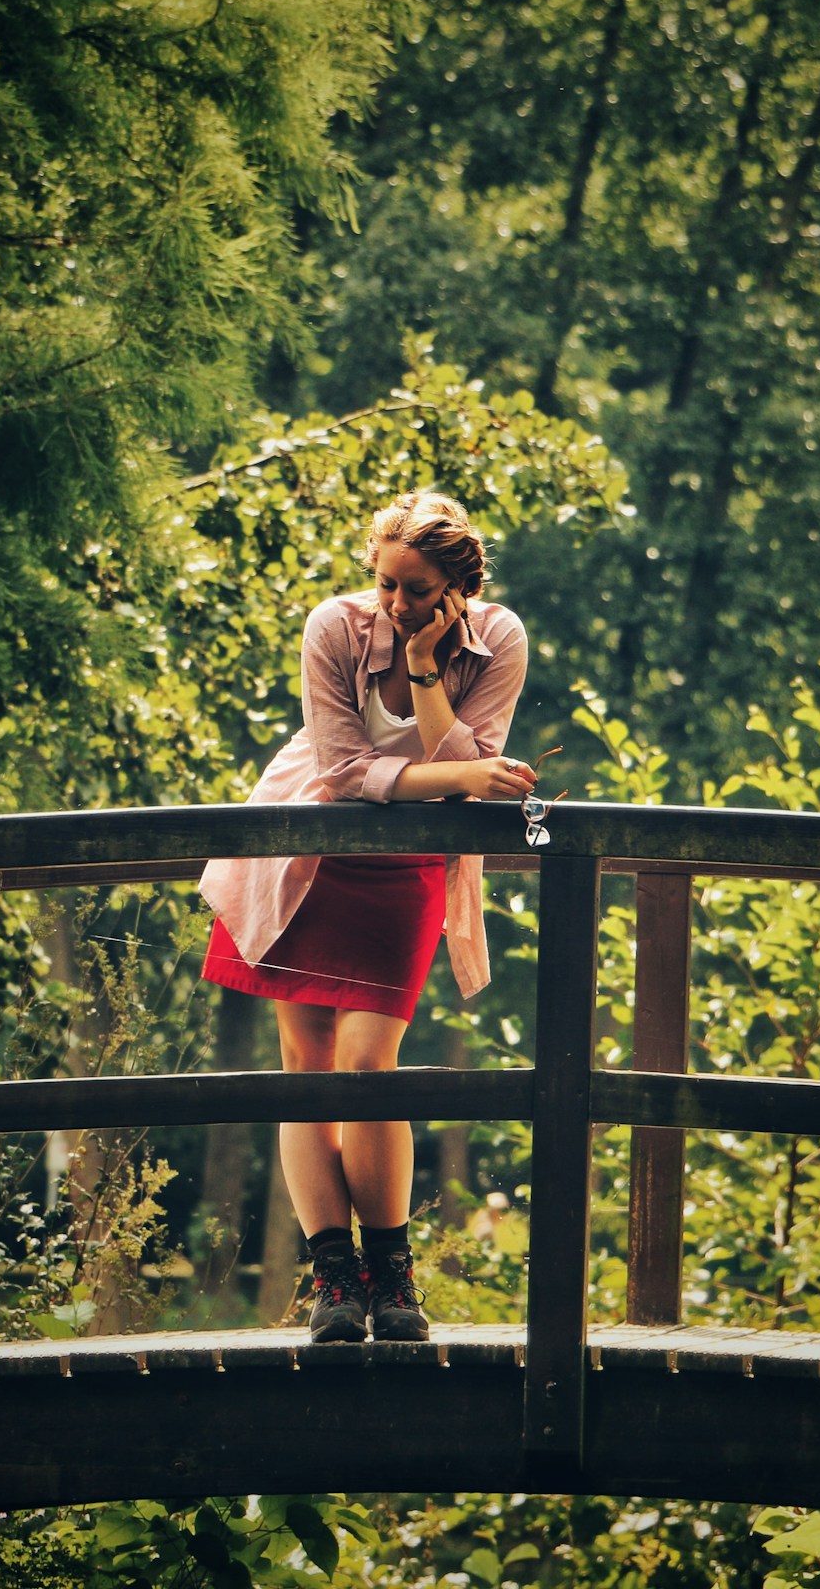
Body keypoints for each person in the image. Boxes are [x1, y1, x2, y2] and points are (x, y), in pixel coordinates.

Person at [198, 491, 538, 1343]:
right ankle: (334, 1281)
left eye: (416, 589)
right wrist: (453, 777)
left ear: (459, 587)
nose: (394, 604)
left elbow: (465, 760)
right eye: (385, 583)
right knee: (306, 1065)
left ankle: (395, 1278)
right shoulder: (334, 628)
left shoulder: (498, 641)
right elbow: (350, 772)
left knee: (367, 1065)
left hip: (406, 869)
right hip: (308, 844)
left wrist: (426, 671)